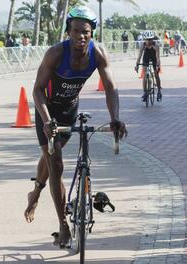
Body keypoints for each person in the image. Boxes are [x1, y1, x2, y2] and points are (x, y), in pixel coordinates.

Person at [24, 6, 127, 248]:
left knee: (50, 159)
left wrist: (115, 118)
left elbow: (110, 87)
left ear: (92, 33)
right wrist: (48, 121)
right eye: (76, 31)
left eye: (87, 32)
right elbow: (37, 90)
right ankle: (63, 226)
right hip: (47, 110)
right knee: (56, 164)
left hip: (69, 110)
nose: (81, 36)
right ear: (69, 32)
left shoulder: (98, 52)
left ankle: (35, 191)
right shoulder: (55, 54)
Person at [134, 30, 162, 102]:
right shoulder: (142, 45)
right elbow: (139, 56)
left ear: (153, 39)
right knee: (145, 75)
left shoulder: (156, 45)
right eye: (147, 39)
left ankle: (159, 91)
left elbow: (158, 57)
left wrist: (158, 65)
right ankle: (144, 92)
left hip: (154, 58)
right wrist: (137, 64)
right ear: (144, 39)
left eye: (150, 39)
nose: (149, 41)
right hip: (146, 57)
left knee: (156, 74)